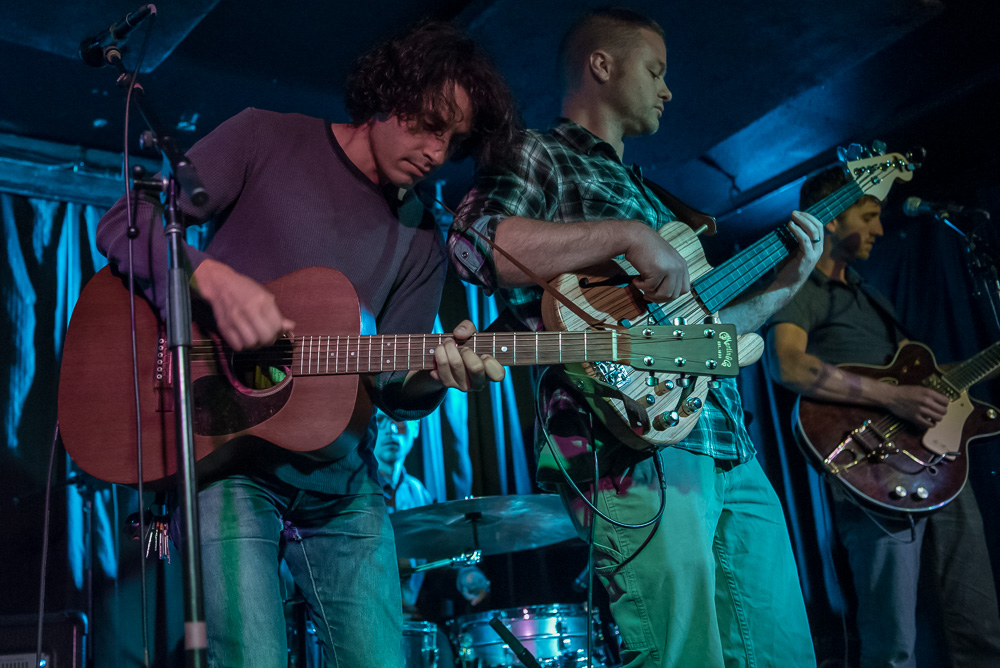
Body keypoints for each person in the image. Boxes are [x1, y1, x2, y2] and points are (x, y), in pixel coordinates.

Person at [95, 20, 517, 667]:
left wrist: (439, 373)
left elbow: (395, 386)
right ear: (388, 94)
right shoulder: (265, 135)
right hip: (224, 460)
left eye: (453, 139)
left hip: (342, 482)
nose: (438, 151)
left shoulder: (424, 239)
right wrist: (209, 278)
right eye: (431, 124)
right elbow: (127, 222)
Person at [449, 7, 822, 667]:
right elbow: (479, 244)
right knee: (683, 655)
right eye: (656, 70)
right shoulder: (540, 152)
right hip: (628, 444)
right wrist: (626, 235)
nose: (668, 89)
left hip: (727, 441)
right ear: (602, 64)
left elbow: (708, 338)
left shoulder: (653, 197)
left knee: (785, 652)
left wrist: (787, 281)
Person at [766, 165, 1000, 667]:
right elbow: (786, 363)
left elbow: (922, 383)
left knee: (979, 626)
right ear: (831, 219)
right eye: (868, 216)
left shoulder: (871, 294)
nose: (878, 228)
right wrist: (893, 399)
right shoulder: (801, 288)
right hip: (872, 470)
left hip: (939, 466)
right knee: (891, 645)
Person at [373, 410, 491, 615]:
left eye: (399, 422)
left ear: (416, 428)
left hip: (411, 621)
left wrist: (464, 577)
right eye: (380, 421)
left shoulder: (419, 494)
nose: (391, 430)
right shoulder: (353, 492)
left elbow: (435, 565)